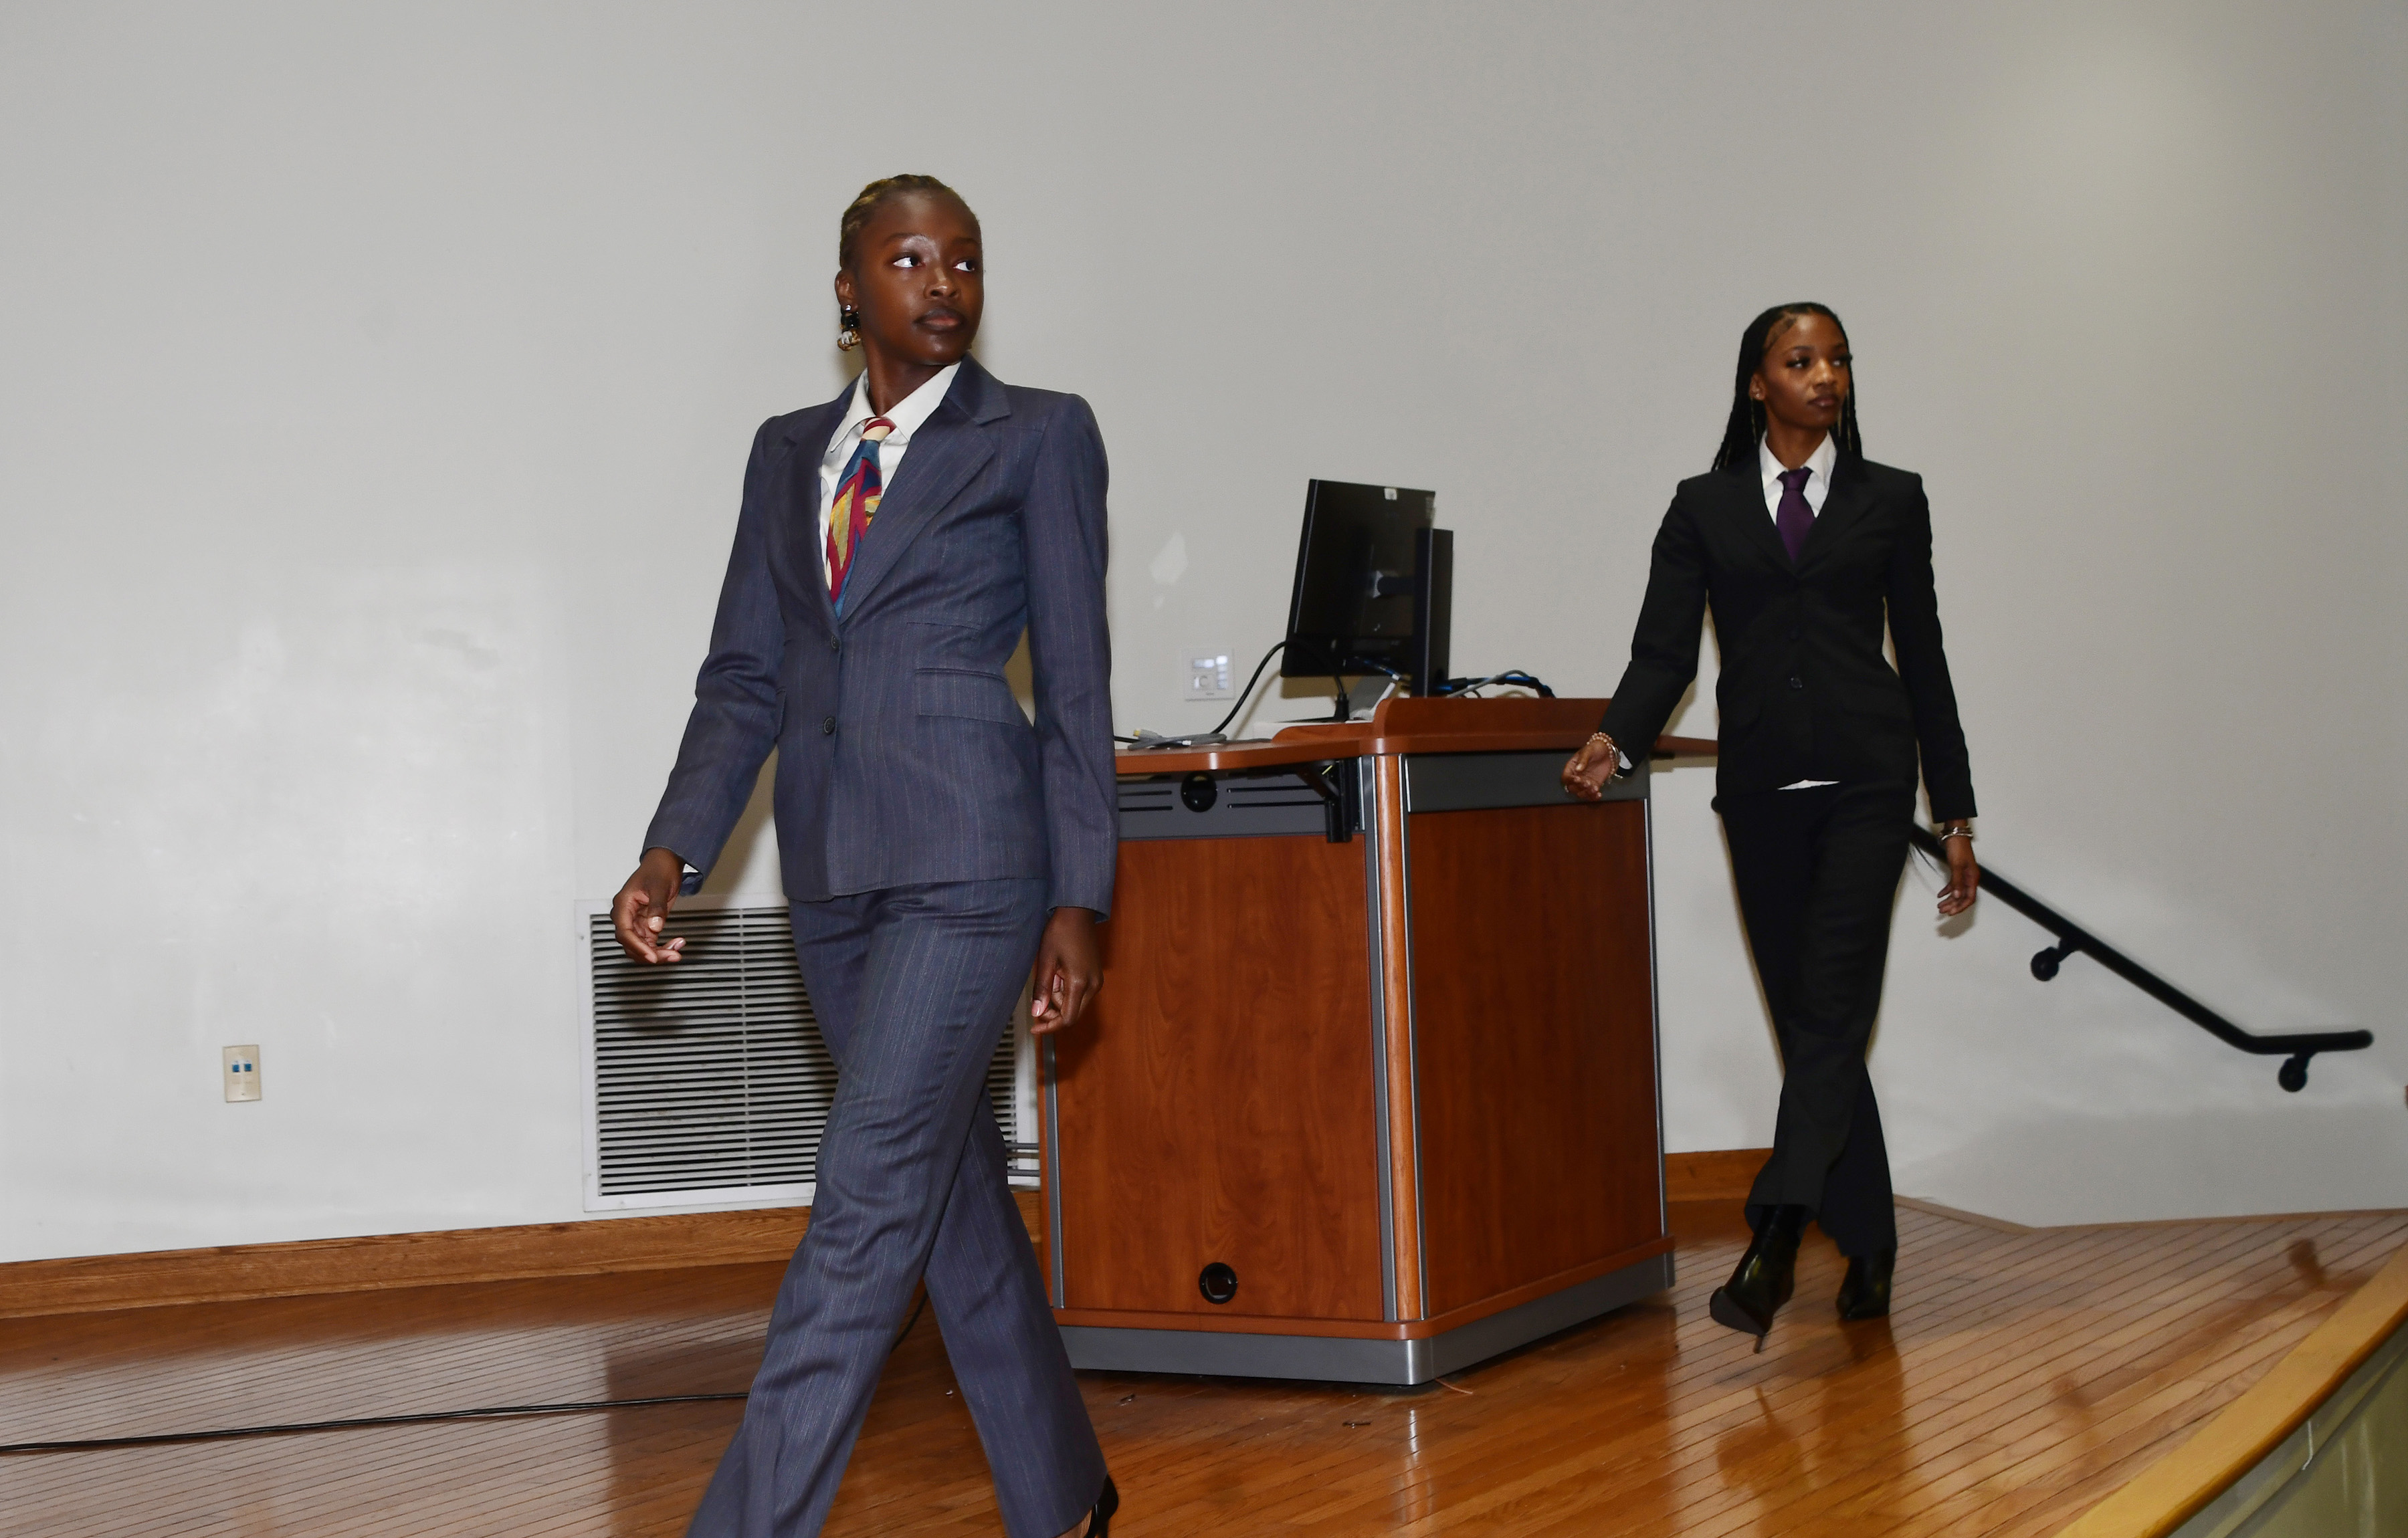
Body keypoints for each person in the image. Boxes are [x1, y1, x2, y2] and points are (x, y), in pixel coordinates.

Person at [611, 175, 1119, 1538]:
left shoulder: (1040, 436)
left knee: (863, 1198)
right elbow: (745, 679)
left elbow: (1076, 685)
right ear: (851, 290)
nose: (944, 280)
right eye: (908, 258)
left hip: (973, 862)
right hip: (832, 876)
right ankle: (1065, 1496)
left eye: (965, 260)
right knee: (948, 1191)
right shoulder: (788, 452)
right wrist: (674, 853)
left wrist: (1082, 894)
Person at [1563, 303, 1979, 1347]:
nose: (1826, 376)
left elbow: (1922, 656)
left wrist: (1956, 808)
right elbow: (1665, 652)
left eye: (1838, 359)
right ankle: (1873, 1239)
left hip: (1869, 789)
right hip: (1759, 795)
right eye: (1802, 361)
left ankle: (1777, 1233)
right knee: (1816, 1029)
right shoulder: (1702, 507)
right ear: (1759, 382)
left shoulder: (1893, 500)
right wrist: (1616, 737)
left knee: (1832, 1011)